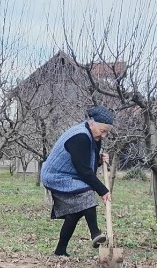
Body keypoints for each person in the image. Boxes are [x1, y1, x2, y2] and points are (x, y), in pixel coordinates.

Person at [40, 106, 115, 257]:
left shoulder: (93, 136)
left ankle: (60, 250)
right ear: (91, 123)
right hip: (56, 176)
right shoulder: (80, 136)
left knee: (75, 212)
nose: (104, 135)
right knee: (86, 193)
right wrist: (103, 190)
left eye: (107, 132)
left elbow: (85, 161)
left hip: (70, 174)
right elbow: (83, 170)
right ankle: (95, 233)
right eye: (102, 131)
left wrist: (99, 160)